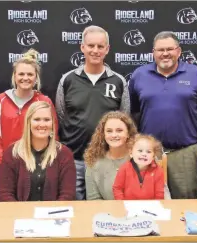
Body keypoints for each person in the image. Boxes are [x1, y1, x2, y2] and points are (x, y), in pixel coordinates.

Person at [129, 31, 197, 199]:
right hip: (149, 154)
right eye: (160, 50)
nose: (165, 54)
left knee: (187, 202)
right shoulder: (139, 75)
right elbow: (135, 112)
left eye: (170, 49)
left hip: (185, 152)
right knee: (147, 203)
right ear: (153, 53)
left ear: (179, 51)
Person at [56, 25, 130, 200]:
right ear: (82, 47)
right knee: (77, 210)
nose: (95, 50)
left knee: (108, 208)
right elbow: (61, 115)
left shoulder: (118, 81)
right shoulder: (67, 80)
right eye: (91, 46)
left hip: (106, 159)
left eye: (100, 46)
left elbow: (123, 119)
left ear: (107, 49)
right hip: (74, 159)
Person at [0, 49, 58, 200]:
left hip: (39, 172)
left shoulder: (44, 102)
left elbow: (53, 136)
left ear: (36, 77)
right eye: (21, 74)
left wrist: (41, 167)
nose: (25, 78)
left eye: (30, 74)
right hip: (7, 171)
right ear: (14, 76)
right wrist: (4, 166)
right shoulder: (0, 101)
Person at [0, 101, 76, 201]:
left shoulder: (64, 154)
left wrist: (51, 215)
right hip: (20, 215)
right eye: (37, 119)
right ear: (28, 123)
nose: (42, 124)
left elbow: (67, 195)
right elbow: (5, 195)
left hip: (54, 215)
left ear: (52, 123)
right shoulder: (12, 153)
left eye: (47, 120)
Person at [84, 111, 138, 200]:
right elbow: (93, 201)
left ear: (128, 133)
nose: (114, 135)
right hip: (108, 213)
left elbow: (161, 190)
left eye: (119, 130)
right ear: (103, 134)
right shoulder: (93, 162)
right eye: (109, 131)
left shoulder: (143, 156)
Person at [113, 134, 165, 200]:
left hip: (150, 207)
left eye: (148, 152)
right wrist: (122, 203)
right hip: (128, 206)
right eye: (140, 151)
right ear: (131, 153)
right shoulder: (124, 168)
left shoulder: (158, 171)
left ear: (153, 157)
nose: (144, 154)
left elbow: (159, 194)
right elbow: (117, 188)